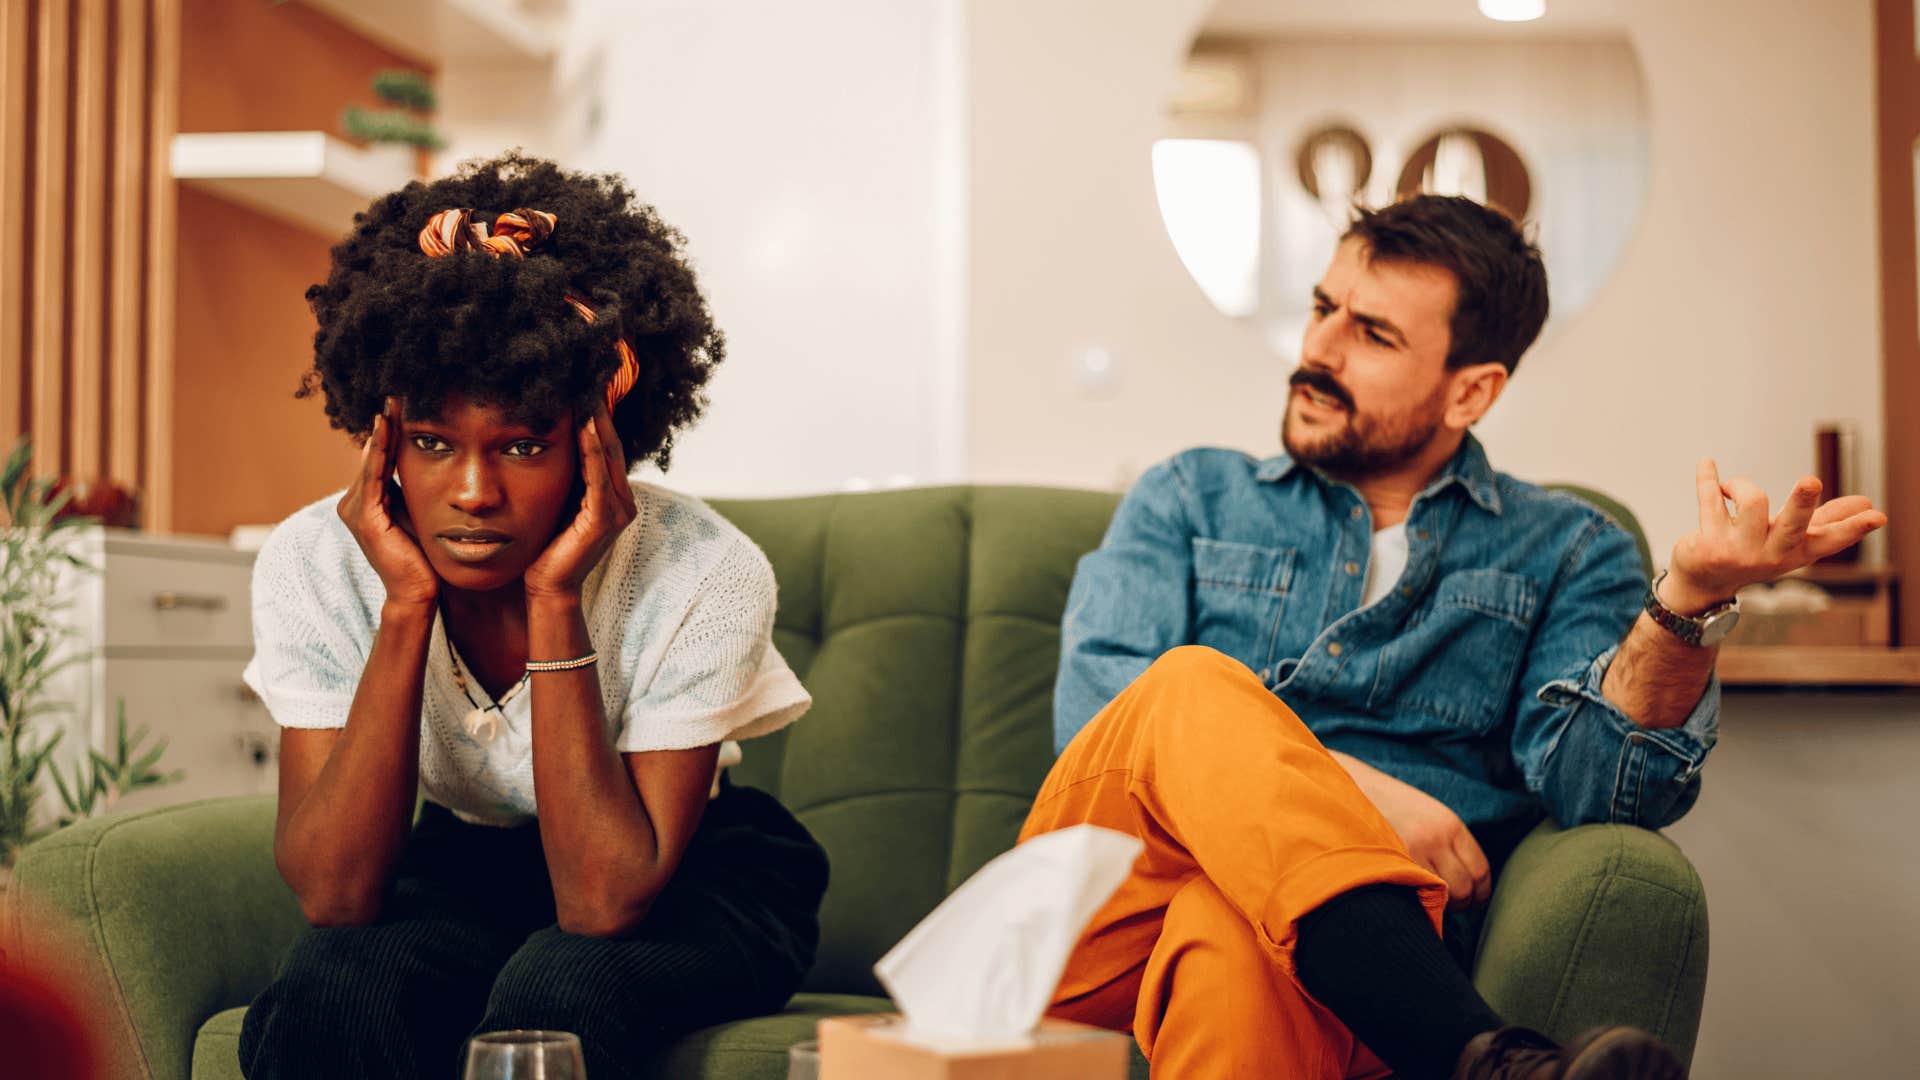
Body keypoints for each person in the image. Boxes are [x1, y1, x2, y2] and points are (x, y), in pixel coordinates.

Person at [1025, 195, 1886, 1079]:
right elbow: (1100, 722)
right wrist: (1360, 796)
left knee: (1233, 933)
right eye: (1324, 310)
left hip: (1348, 962)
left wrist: (1687, 603)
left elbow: (1605, 790)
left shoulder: (1565, 545)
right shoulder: (1189, 496)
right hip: (1114, 919)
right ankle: (1479, 1058)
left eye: (1372, 334)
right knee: (1185, 685)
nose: (1318, 350)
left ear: (1471, 390)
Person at [236, 153, 828, 1079]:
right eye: (432, 443)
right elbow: (335, 895)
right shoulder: (315, 562)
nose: (473, 492)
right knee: (333, 993)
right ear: (383, 436)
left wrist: (556, 599)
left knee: (560, 998)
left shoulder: (704, 572)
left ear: (597, 441)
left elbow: (601, 903)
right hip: (470, 864)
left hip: (689, 877)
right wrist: (405, 606)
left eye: (522, 444)